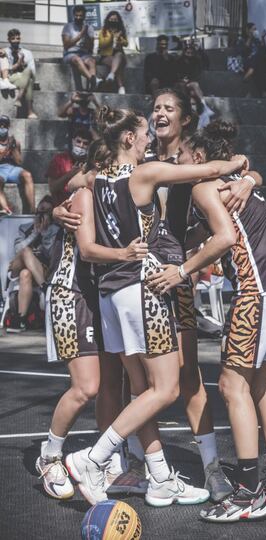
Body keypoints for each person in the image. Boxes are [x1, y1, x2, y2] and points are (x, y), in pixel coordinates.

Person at [64, 107, 246, 507]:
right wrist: (238, 164)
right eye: (143, 131)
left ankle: (160, 476)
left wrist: (60, 208)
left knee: (143, 389)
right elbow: (204, 170)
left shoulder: (95, 179)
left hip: (111, 295)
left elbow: (69, 185)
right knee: (167, 388)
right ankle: (92, 457)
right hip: (141, 288)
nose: (148, 138)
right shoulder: (143, 174)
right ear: (129, 138)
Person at [147, 121, 266, 522]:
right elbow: (228, 228)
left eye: (182, 155)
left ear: (199, 158)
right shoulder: (238, 180)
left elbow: (224, 240)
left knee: (233, 385)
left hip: (260, 288)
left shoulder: (204, 186)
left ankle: (249, 493)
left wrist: (181, 270)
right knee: (262, 380)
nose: (177, 162)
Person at [35, 174, 150, 499]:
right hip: (72, 292)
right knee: (87, 386)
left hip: (105, 293)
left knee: (114, 383)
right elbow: (72, 186)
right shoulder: (90, 189)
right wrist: (59, 207)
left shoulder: (128, 185)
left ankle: (111, 464)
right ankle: (50, 455)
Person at [6, 195, 57, 332]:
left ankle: (20, 319)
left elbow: (52, 255)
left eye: (46, 212)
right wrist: (35, 233)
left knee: (25, 274)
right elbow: (17, 249)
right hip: (18, 264)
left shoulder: (56, 230)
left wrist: (46, 233)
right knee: (25, 251)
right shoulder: (25, 228)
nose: (42, 216)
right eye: (40, 212)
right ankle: (45, 288)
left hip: (42, 269)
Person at [47, 127, 92, 206]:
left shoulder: (91, 163)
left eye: (85, 143)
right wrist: (71, 173)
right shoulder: (59, 159)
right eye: (78, 141)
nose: (81, 146)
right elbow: (52, 188)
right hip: (61, 205)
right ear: (72, 141)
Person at [0, 114, 35, 214]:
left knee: (27, 175)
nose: (2, 127)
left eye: (5, 125)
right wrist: (7, 149)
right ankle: (6, 209)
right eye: (0, 125)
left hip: (12, 169)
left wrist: (14, 147)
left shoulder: (15, 142)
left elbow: (19, 161)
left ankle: (33, 210)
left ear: (8, 127)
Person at [62, 4, 100, 91]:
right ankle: (94, 80)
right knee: (77, 59)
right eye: (76, 15)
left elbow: (90, 48)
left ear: (84, 16)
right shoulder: (68, 26)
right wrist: (80, 35)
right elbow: (66, 45)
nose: (78, 18)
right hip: (70, 53)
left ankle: (92, 88)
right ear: (73, 15)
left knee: (92, 61)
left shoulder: (89, 28)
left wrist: (86, 36)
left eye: (80, 16)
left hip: (84, 53)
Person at [5, 28, 37, 118]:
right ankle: (30, 111)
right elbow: (5, 71)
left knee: (28, 74)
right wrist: (17, 64)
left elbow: (32, 71)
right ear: (8, 40)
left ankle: (19, 97)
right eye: (13, 39)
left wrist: (23, 65)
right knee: (29, 82)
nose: (16, 41)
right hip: (12, 77)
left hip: (24, 76)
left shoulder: (27, 53)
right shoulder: (5, 52)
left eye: (18, 38)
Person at [234, 23, 266, 97]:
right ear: (247, 30)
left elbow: (264, 51)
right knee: (259, 64)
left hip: (256, 64)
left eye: (256, 29)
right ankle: (264, 91)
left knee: (259, 58)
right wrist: (249, 38)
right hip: (247, 62)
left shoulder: (256, 40)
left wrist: (262, 38)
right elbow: (242, 52)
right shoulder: (241, 40)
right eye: (253, 29)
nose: (255, 31)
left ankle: (251, 71)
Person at [98, 10, 127, 94]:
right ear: (108, 20)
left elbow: (126, 43)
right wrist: (111, 37)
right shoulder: (103, 31)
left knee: (119, 55)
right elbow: (102, 45)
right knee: (116, 65)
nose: (113, 21)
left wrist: (120, 39)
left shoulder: (121, 31)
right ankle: (121, 87)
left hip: (119, 55)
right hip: (106, 56)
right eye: (111, 19)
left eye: (115, 20)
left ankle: (111, 74)